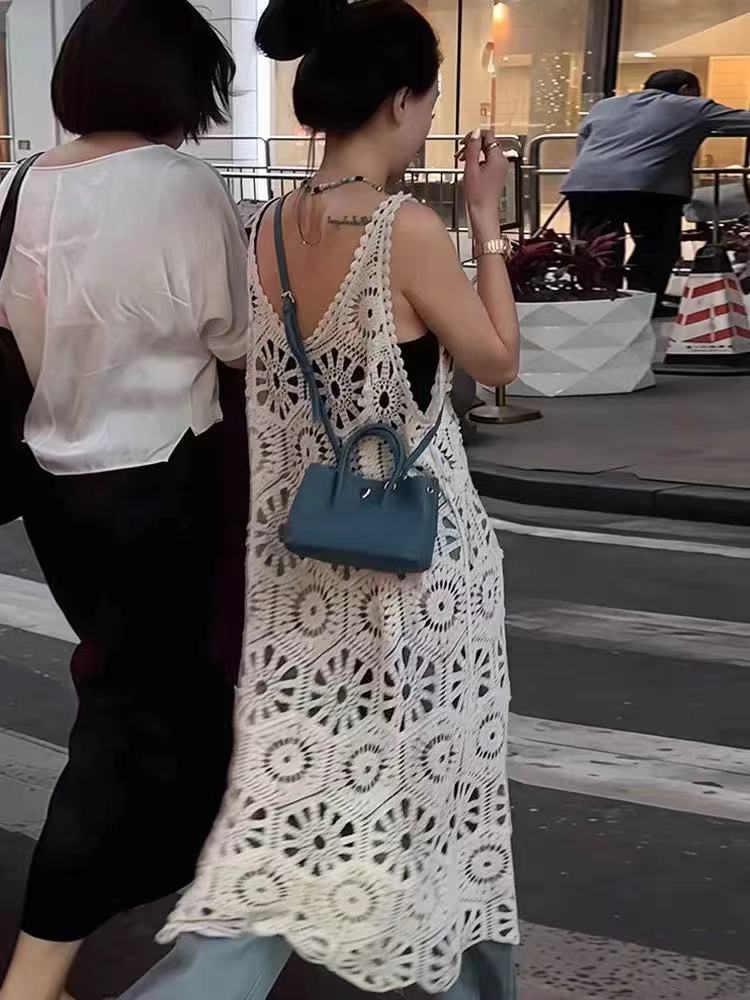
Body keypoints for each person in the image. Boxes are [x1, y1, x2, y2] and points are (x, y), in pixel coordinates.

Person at [118, 1, 521, 999]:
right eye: (428, 99)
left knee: (294, 821)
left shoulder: (265, 227)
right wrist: (486, 223)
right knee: (435, 799)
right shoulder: (405, 228)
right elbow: (498, 362)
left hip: (305, 574)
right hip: (418, 571)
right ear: (399, 100)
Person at [0, 3, 249, 1000]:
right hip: (167, 482)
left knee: (162, 702)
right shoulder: (184, 186)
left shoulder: (23, 183)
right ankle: (35, 974)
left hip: (58, 490)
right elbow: (236, 337)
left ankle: (222, 918)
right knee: (129, 716)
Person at [563, 69, 750, 315]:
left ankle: (598, 303)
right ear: (686, 89)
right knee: (655, 248)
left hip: (586, 184)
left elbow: (584, 141)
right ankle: (644, 304)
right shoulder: (692, 106)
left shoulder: (605, 106)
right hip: (650, 187)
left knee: (599, 249)